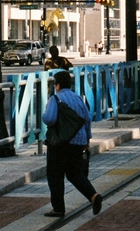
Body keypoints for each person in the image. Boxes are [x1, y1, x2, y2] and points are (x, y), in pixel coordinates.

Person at [42, 70, 102, 217]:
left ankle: (58, 208)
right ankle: (93, 196)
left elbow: (49, 119)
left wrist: (45, 112)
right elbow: (86, 119)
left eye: (55, 84)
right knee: (74, 173)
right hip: (78, 142)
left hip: (60, 143)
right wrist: (87, 139)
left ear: (58, 85)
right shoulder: (78, 98)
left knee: (55, 175)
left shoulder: (55, 99)